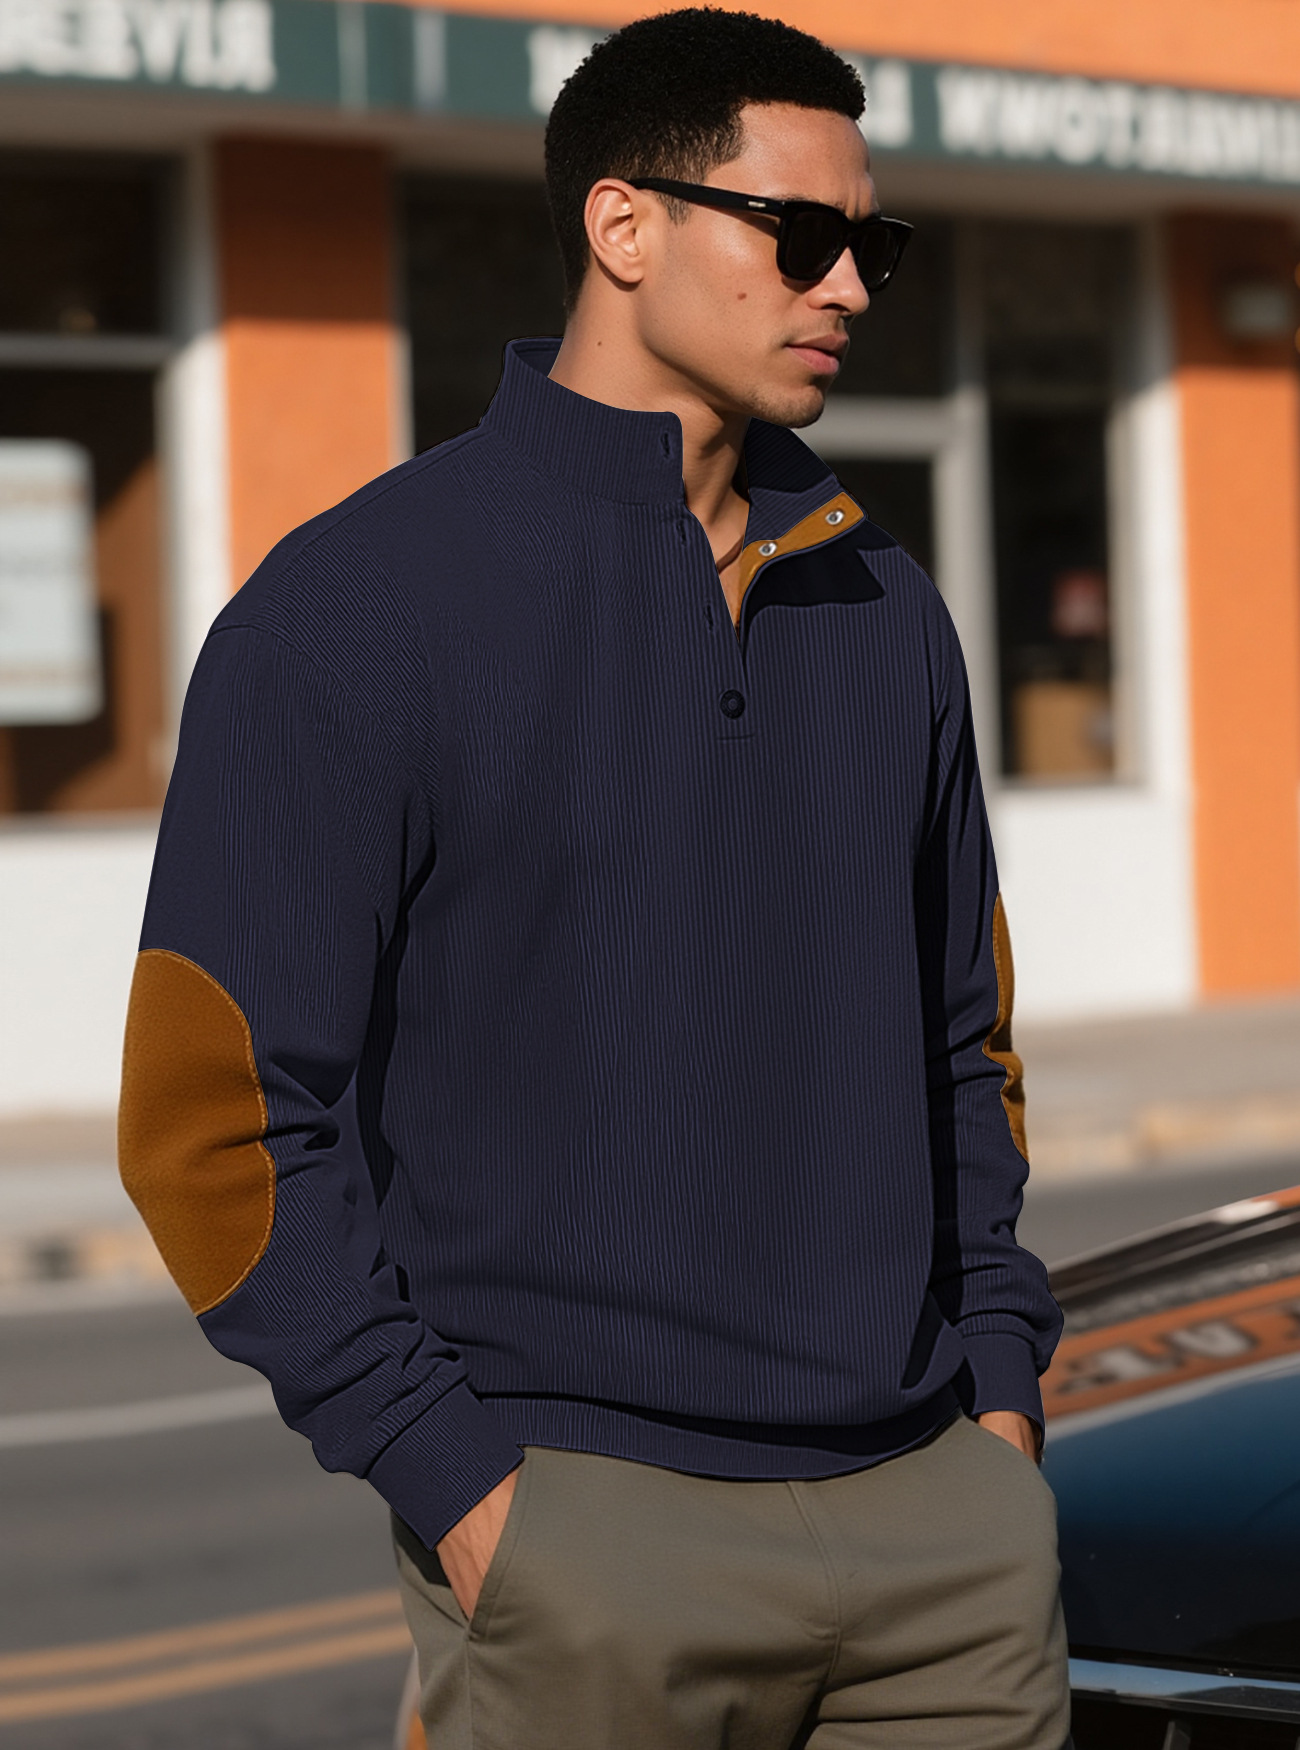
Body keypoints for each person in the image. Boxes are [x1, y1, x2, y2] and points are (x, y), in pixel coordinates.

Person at [118, 7, 1070, 1746]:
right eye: (801, 233)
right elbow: (214, 1122)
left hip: (943, 1537)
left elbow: (965, 1044)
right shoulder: (357, 606)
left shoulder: (887, 606)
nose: (849, 286)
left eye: (873, 245)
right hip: (584, 1532)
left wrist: (997, 1398)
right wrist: (463, 1485)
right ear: (622, 226)